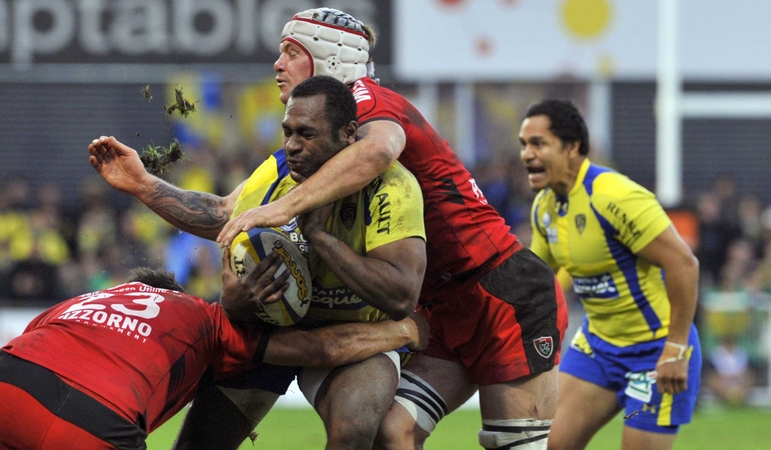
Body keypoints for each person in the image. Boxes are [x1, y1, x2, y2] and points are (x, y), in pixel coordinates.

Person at [90, 8, 566, 449]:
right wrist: (143, 185)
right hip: (437, 306)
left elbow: (378, 151)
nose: (276, 64)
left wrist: (283, 213)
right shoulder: (296, 155)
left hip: (499, 289)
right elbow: (224, 214)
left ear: (331, 58)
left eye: (291, 52)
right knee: (392, 435)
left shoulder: (369, 103)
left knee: (514, 444)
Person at [92, 75, 427, 450]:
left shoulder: (391, 187)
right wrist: (144, 184)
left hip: (358, 339)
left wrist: (321, 238)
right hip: (271, 333)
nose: (293, 146)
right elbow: (225, 249)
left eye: (307, 134)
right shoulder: (276, 172)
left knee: (356, 426)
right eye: (287, 132)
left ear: (348, 133)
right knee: (197, 445)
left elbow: (401, 298)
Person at [0, 247, 429, 450]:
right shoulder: (198, 315)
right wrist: (404, 332)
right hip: (96, 418)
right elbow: (317, 349)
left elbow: (25, 346)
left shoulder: (77, 302)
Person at [519, 99, 701, 450]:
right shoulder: (544, 207)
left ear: (572, 147)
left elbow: (684, 264)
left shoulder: (615, 197)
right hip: (598, 348)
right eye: (524, 144)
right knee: (548, 446)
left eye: (538, 143)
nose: (527, 154)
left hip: (655, 351)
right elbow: (536, 282)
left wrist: (676, 348)